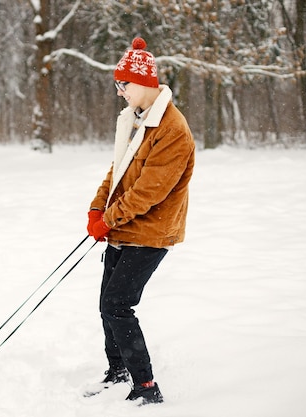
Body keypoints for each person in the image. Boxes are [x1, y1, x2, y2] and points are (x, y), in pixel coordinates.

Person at [86, 37, 195, 405]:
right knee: (106, 303)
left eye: (123, 84)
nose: (119, 92)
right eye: (118, 84)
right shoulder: (135, 121)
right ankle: (117, 369)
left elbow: (150, 191)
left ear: (145, 83)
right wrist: (97, 208)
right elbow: (118, 171)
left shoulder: (171, 129)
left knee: (118, 304)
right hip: (123, 227)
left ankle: (146, 386)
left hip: (151, 232)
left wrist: (109, 219)